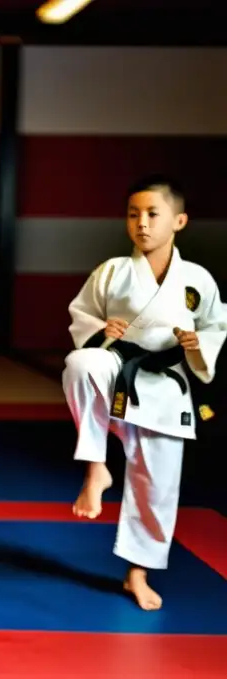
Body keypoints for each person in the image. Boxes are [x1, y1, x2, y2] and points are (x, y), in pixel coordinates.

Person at [62, 174, 226, 610]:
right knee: (81, 363)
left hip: (166, 388)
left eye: (154, 214)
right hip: (119, 372)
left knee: (157, 486)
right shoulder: (113, 272)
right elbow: (81, 315)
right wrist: (102, 330)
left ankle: (137, 574)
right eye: (134, 214)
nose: (142, 223)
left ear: (180, 221)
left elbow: (214, 325)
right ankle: (96, 467)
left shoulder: (197, 281)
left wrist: (199, 343)